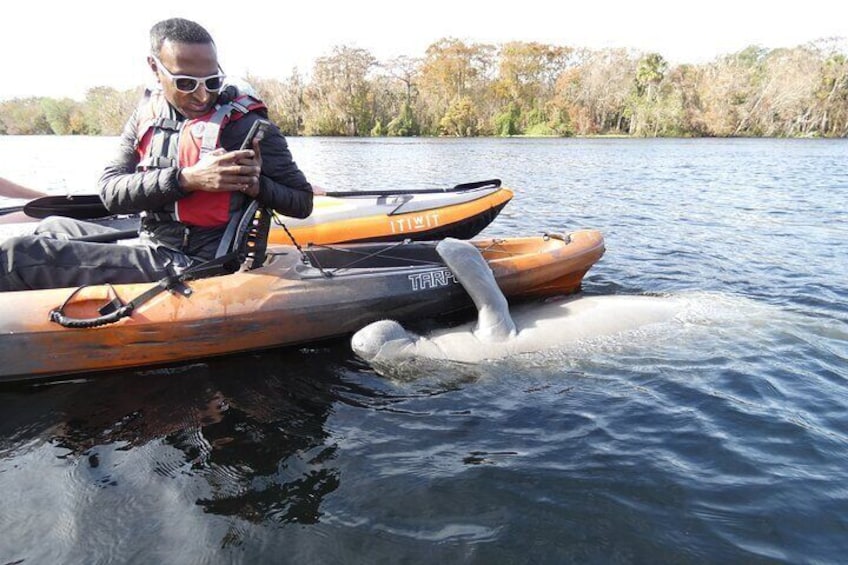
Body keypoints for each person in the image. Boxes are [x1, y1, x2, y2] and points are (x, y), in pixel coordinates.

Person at [0, 18, 313, 292]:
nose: (202, 95)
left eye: (212, 81)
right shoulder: (145, 115)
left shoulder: (249, 126)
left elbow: (302, 201)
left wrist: (256, 186)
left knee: (16, 256)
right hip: (151, 241)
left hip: (199, 262)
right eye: (186, 83)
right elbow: (111, 193)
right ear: (155, 68)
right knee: (53, 227)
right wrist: (187, 179)